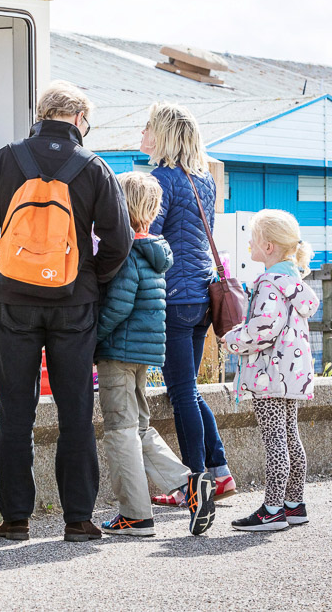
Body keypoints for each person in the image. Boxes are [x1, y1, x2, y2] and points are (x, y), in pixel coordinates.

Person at [0, 81, 132, 543]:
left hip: (15, 303)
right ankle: (78, 520)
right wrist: (89, 280)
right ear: (79, 119)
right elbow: (118, 242)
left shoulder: (6, 160)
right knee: (76, 412)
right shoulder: (94, 168)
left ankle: (15, 520)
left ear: (42, 114)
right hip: (74, 306)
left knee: (15, 413)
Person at [95, 172, 215, 537]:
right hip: (144, 353)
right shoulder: (157, 249)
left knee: (120, 431)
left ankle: (135, 514)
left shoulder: (127, 254)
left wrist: (92, 339)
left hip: (118, 351)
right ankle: (189, 486)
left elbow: (118, 307)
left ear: (121, 206)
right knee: (140, 427)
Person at [142, 102, 236, 510]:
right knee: (190, 390)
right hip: (201, 296)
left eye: (146, 128)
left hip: (174, 299)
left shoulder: (159, 180)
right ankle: (220, 471)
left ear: (162, 135)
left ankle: (195, 486)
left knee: (181, 393)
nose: (141, 135)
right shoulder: (204, 180)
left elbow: (151, 239)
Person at [223, 209, 319, 531]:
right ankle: (295, 503)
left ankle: (273, 509)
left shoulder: (268, 282)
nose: (248, 242)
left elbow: (265, 327)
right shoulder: (294, 283)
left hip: (268, 374)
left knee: (274, 439)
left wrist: (233, 340)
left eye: (253, 238)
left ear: (268, 247)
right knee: (291, 435)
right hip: (292, 372)